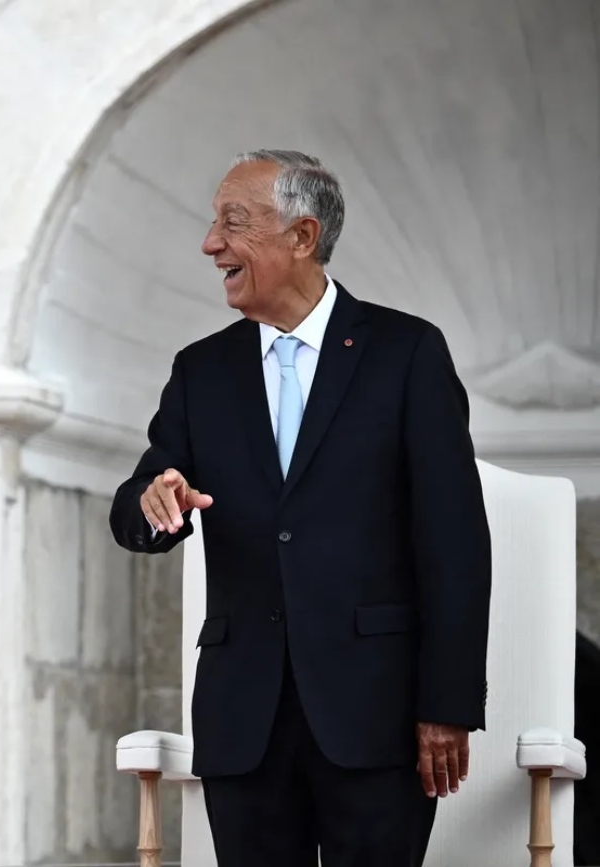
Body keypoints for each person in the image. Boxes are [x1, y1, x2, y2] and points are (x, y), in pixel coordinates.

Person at [108, 150, 492, 866]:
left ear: (303, 236)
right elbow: (134, 510)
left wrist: (448, 702)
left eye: (233, 222)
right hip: (242, 718)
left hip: (377, 715)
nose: (210, 242)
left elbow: (455, 544)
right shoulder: (201, 370)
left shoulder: (406, 353)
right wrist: (154, 500)